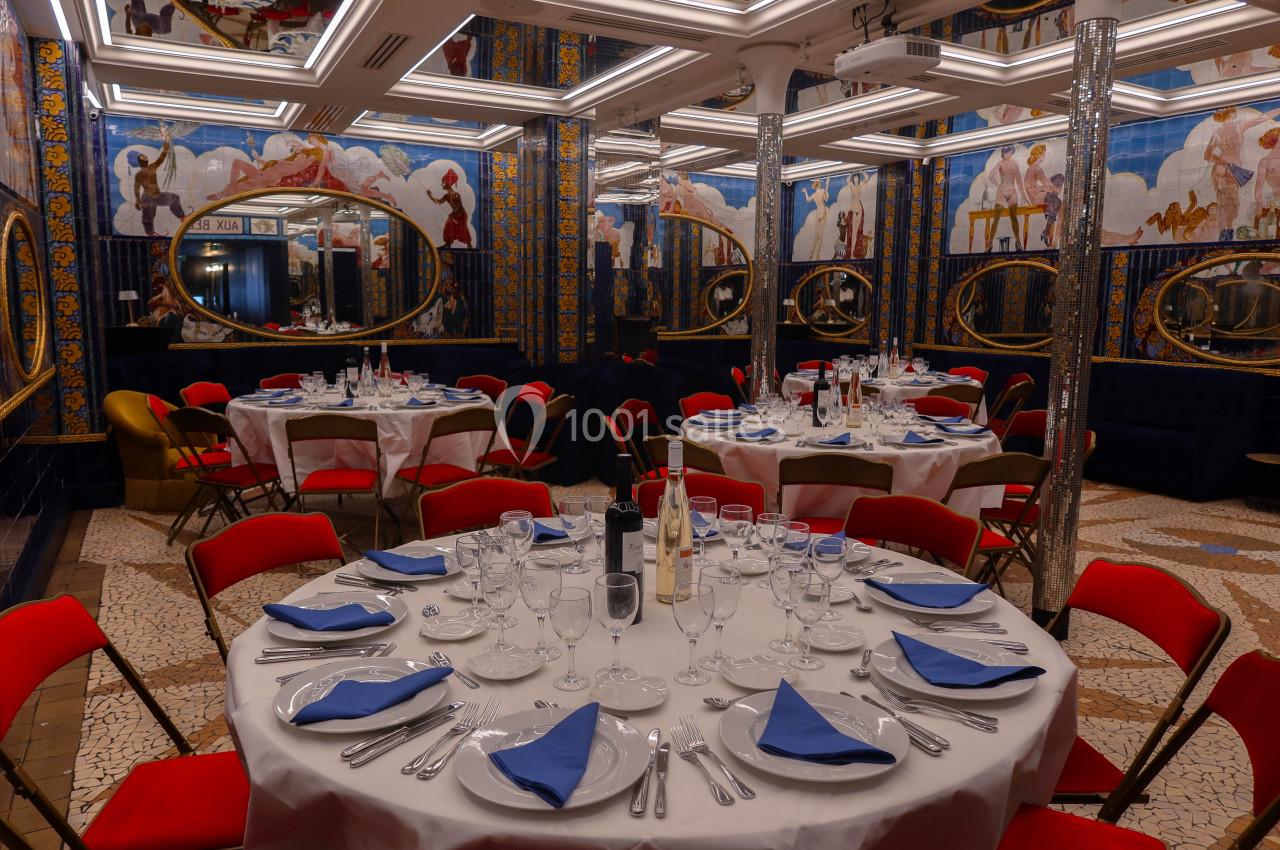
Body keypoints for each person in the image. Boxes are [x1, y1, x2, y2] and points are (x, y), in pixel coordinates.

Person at [1204, 105, 1280, 241]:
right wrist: (1224, 162)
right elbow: (1263, 118)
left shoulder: (1217, 133)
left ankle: (1226, 231)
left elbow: (1208, 155)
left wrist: (1221, 160)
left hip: (1225, 169)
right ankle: (1226, 231)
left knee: (1227, 202)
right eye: (1234, 111)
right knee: (1230, 202)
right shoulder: (1239, 126)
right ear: (1232, 113)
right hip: (1226, 170)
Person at [129, 141, 185, 237]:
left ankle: (181, 217)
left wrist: (138, 201)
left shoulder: (144, 172)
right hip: (151, 197)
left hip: (152, 196)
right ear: (143, 162)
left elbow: (136, 189)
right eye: (144, 158)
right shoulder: (149, 169)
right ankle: (150, 232)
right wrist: (166, 149)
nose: (145, 159)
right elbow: (161, 159)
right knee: (148, 216)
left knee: (148, 216)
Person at [986, 145, 1027, 252]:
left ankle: (1018, 242)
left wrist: (1023, 196)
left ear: (1011, 153)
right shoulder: (1000, 163)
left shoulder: (1014, 164)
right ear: (1003, 153)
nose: (1007, 154)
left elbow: (1019, 181)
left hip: (1012, 192)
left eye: (1008, 152)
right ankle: (989, 243)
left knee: (1014, 217)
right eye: (1005, 152)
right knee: (996, 218)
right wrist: (998, 185)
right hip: (1002, 191)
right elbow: (991, 175)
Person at [426, 168, 472, 248]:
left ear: (447, 184)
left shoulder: (456, 194)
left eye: (443, 183)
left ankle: (469, 245)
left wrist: (453, 214)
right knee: (449, 226)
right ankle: (448, 243)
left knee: (463, 229)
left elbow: (458, 207)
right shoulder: (447, 196)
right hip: (455, 214)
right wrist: (430, 196)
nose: (442, 185)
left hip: (461, 215)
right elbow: (438, 202)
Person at [802, 178, 830, 260]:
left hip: (818, 213)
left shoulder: (814, 194)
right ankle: (817, 255)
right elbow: (827, 199)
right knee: (820, 237)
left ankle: (811, 254)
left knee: (816, 236)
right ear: (819, 184)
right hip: (823, 212)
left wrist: (805, 192)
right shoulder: (822, 191)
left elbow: (807, 199)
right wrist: (826, 190)